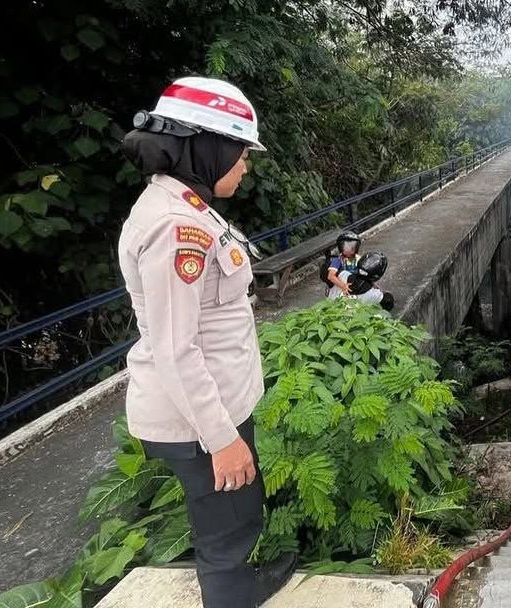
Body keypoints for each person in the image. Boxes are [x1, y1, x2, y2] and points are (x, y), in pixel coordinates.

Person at [119, 77, 295, 607]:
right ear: (208, 146)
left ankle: (243, 582)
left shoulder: (188, 205)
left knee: (237, 514)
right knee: (226, 535)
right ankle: (233, 593)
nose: (245, 166)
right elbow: (175, 349)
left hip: (212, 405)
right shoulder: (177, 227)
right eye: (240, 153)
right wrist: (221, 441)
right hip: (199, 418)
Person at [328, 251, 393, 311]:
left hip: (332, 310)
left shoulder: (343, 274)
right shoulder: (374, 295)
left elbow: (330, 277)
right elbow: (388, 301)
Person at [322, 231, 361, 296]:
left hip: (352, 286)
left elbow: (364, 272)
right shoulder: (338, 260)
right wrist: (343, 286)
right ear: (341, 248)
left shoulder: (358, 258)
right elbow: (331, 276)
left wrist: (371, 283)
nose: (348, 250)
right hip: (339, 286)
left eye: (352, 247)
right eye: (346, 247)